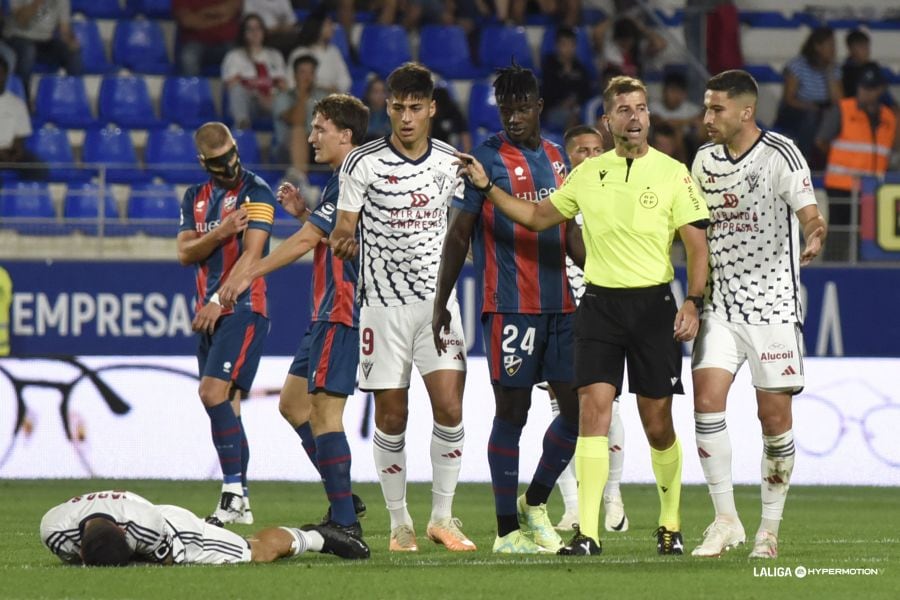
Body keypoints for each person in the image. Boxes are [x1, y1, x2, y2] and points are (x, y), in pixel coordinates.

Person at [456, 75, 710, 556]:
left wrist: (693, 301)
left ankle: (671, 523)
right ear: (608, 120)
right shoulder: (586, 175)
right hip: (598, 306)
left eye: (641, 108)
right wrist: (488, 187)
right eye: (624, 110)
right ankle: (588, 534)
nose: (634, 117)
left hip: (653, 304)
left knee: (657, 421)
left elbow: (697, 245)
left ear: (649, 117)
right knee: (592, 413)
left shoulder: (674, 172)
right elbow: (536, 218)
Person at [432, 64, 581, 554]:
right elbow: (457, 236)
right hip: (511, 307)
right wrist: (441, 302)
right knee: (512, 414)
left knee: (575, 412)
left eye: (522, 107)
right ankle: (505, 532)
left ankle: (534, 502)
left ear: (539, 107)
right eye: (506, 108)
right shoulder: (486, 161)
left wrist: (605, 281)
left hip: (562, 305)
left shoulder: (560, 158)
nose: (514, 117)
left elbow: (570, 233)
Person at [328, 62, 474, 553]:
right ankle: (399, 524)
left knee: (450, 408)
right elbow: (343, 227)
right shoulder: (362, 163)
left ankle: (443, 516)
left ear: (432, 108)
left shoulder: (451, 162)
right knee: (392, 416)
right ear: (387, 108)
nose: (406, 117)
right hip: (383, 309)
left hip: (438, 307)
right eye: (397, 108)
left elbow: (462, 224)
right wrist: (344, 240)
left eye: (415, 107)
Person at [219, 94, 371, 547]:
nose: (310, 137)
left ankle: (345, 522)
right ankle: (343, 496)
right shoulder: (341, 181)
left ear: (345, 135)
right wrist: (306, 213)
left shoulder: (352, 177)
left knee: (324, 412)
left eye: (320, 128)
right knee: (292, 404)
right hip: (326, 310)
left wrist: (249, 270)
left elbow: (307, 242)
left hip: (343, 309)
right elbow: (324, 234)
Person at [690, 69, 826, 559]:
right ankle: (725, 519)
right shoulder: (703, 159)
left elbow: (809, 211)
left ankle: (768, 530)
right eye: (707, 107)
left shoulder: (781, 154)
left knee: (774, 420)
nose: (707, 118)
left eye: (716, 109)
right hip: (720, 307)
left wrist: (814, 231)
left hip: (772, 308)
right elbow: (696, 228)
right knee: (706, 402)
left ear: (746, 111)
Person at [176, 122, 276, 526]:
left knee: (212, 392)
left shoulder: (258, 192)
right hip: (210, 313)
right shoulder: (194, 198)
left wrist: (220, 299)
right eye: (219, 161)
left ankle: (232, 493)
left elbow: (253, 257)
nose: (230, 164)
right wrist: (219, 232)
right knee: (228, 405)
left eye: (232, 153)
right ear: (205, 162)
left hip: (243, 308)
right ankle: (241, 502)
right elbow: (184, 253)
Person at [550, 124, 628, 534]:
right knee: (561, 411)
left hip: (605, 311)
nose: (592, 156)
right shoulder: (559, 200)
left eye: (599, 149)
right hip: (562, 313)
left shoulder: (617, 197)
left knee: (607, 406)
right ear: (567, 159)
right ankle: (573, 506)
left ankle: (612, 497)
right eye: (582, 150)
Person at [40, 490, 369, 566]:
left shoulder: (145, 529)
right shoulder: (54, 528)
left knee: (255, 552)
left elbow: (165, 562)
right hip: (138, 516)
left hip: (176, 530)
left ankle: (314, 537)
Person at [817, 62, 896, 262]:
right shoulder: (843, 109)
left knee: (868, 238)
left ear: (880, 90)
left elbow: (890, 150)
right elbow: (821, 141)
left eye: (870, 89)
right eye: (862, 88)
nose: (865, 93)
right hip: (841, 185)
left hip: (872, 189)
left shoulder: (889, 117)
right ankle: (832, 271)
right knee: (839, 236)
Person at [775, 26, 841, 169]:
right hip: (797, 109)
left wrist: (829, 73)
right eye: (830, 45)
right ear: (817, 46)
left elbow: (839, 102)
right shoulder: (797, 65)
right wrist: (811, 107)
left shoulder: (834, 68)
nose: (834, 49)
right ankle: (804, 159)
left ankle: (828, 162)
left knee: (836, 117)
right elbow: (789, 99)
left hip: (823, 109)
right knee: (811, 117)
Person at [4, 0, 82, 104]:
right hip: (17, 37)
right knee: (28, 51)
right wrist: (37, 3)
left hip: (44, 40)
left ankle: (75, 99)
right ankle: (23, 101)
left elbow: (65, 29)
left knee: (72, 53)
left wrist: (71, 41)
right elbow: (21, 21)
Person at [221, 13, 287, 131]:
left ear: (263, 31)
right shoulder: (234, 56)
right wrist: (257, 94)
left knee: (285, 99)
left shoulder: (275, 55)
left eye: (258, 28)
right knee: (237, 90)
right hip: (250, 103)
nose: (254, 32)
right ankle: (243, 126)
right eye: (250, 29)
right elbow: (230, 84)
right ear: (243, 33)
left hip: (272, 101)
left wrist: (269, 97)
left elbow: (283, 85)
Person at [272, 55, 328, 175]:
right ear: (294, 75)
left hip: (317, 147)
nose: (307, 77)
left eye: (311, 73)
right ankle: (301, 182)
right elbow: (297, 120)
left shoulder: (322, 97)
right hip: (287, 149)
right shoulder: (283, 97)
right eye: (303, 72)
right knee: (298, 131)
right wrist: (302, 94)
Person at [285, 7, 351, 94]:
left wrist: (336, 89)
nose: (332, 28)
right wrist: (320, 89)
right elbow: (290, 82)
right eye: (328, 25)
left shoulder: (334, 51)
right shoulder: (300, 52)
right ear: (317, 27)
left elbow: (345, 80)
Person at [0, 55, 45, 181]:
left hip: (10, 152)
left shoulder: (17, 103)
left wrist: (15, 154)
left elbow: (20, 138)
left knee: (38, 168)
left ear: (6, 75)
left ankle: (31, 199)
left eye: (1, 73)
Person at [541, 26, 592, 134]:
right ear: (557, 46)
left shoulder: (580, 68)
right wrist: (562, 102)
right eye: (564, 44)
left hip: (577, 109)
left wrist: (575, 102)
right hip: (554, 111)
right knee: (573, 120)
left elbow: (586, 92)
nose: (568, 48)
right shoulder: (549, 66)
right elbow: (547, 92)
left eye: (571, 44)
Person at [173, 0, 242, 77]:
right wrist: (220, 19)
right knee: (188, 58)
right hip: (195, 42)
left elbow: (231, 8)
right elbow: (188, 21)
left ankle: (238, 89)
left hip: (228, 41)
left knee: (242, 56)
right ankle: (193, 89)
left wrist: (201, 15)